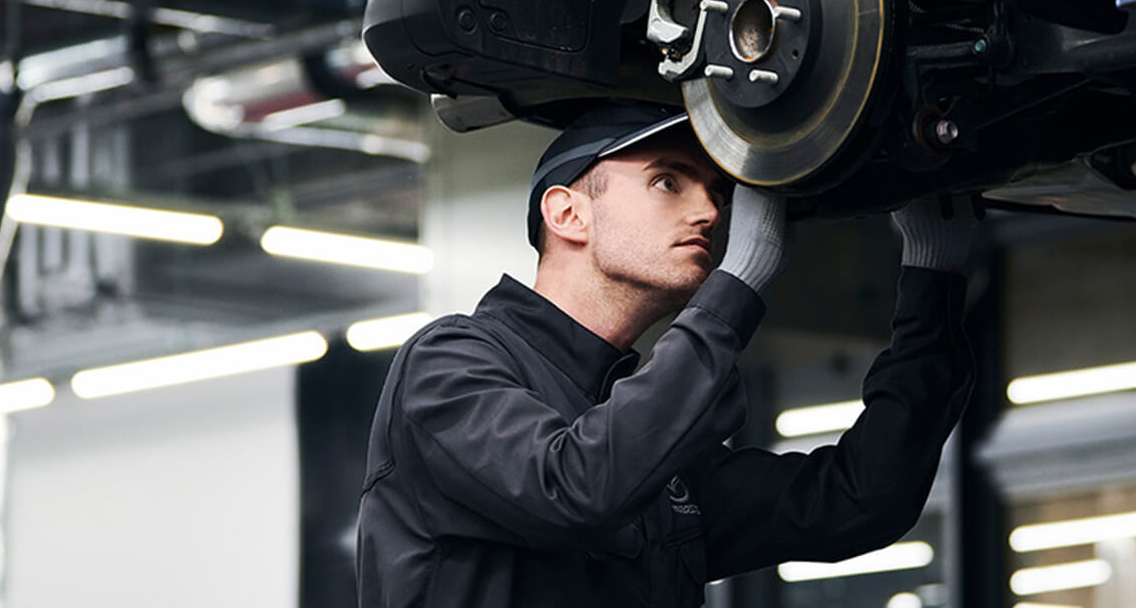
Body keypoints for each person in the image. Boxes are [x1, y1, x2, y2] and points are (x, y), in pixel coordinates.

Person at [357, 101, 977, 607]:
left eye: (717, 192)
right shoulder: (449, 363)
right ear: (569, 213)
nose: (710, 211)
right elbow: (574, 488)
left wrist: (934, 275)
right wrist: (735, 291)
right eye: (667, 181)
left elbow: (856, 502)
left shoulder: (657, 452)